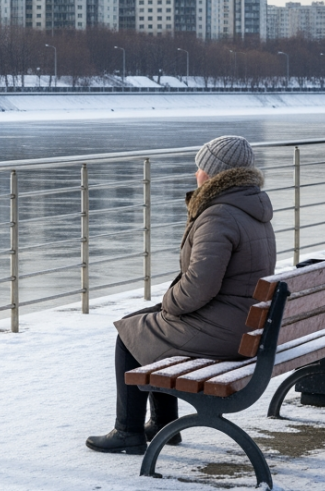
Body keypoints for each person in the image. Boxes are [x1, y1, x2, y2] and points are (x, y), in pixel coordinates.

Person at [86, 135, 275, 455]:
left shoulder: (219, 214)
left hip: (228, 330)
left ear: (217, 174)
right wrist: (168, 307)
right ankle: (162, 425)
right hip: (246, 323)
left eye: (200, 167)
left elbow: (201, 285)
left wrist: (169, 305)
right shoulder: (251, 205)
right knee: (143, 321)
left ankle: (127, 431)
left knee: (130, 334)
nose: (195, 173)